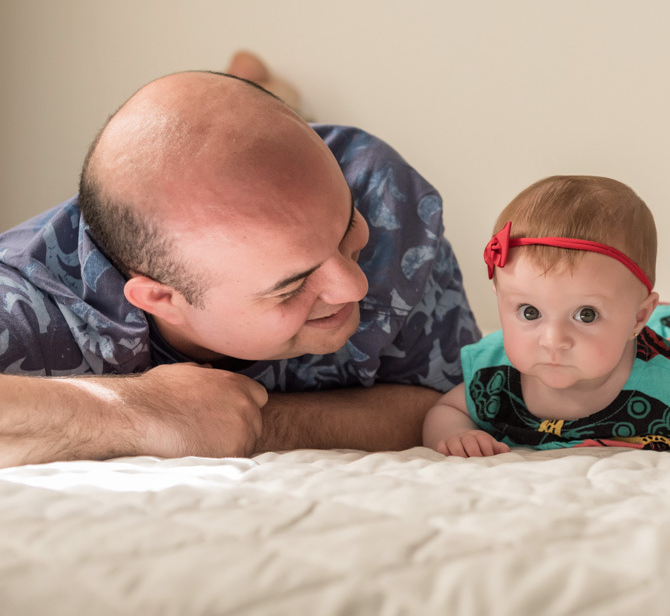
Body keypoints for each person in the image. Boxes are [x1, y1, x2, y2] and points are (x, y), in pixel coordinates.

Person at [0, 58, 479, 467]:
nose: (354, 286)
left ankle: (260, 87)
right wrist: (140, 411)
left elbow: (452, 406)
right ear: (161, 298)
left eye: (345, 228)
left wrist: (246, 422)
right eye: (291, 287)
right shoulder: (28, 303)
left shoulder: (378, 193)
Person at [423, 175, 670, 463]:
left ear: (638, 316)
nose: (553, 339)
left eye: (585, 314)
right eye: (529, 312)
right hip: (638, 327)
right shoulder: (492, 374)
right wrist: (454, 434)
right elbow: (447, 409)